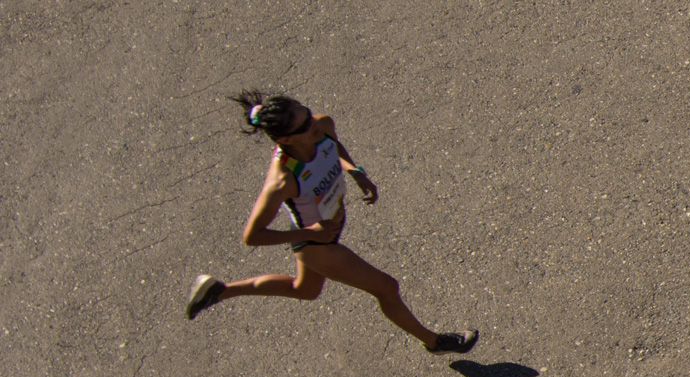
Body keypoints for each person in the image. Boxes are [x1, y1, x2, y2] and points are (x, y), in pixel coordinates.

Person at [186, 90, 478, 355]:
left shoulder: (321, 125)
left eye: (307, 111)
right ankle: (435, 342)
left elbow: (334, 147)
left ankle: (218, 290)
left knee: (305, 290)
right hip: (317, 244)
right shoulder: (282, 180)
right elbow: (252, 236)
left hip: (322, 231)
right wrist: (309, 232)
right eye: (303, 125)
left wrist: (355, 171)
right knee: (387, 287)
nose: (312, 123)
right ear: (285, 140)